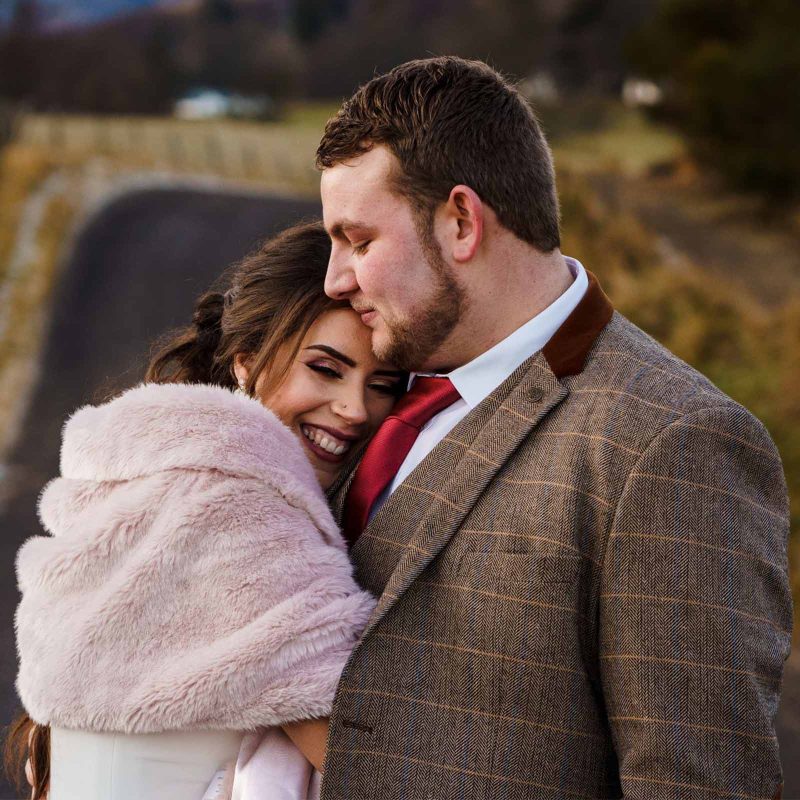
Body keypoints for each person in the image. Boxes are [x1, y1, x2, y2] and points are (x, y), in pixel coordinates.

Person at [310, 57, 793, 799]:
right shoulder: (360, 388)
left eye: (359, 239)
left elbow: (700, 784)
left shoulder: (673, 440)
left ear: (462, 222)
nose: (335, 280)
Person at [10, 221, 405, 800]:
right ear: (246, 362)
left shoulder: (154, 481)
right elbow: (371, 763)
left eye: (385, 384)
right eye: (324, 368)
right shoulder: (236, 508)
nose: (354, 409)